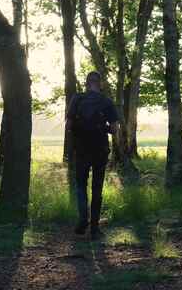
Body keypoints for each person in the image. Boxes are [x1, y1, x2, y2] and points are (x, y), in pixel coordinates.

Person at [66, 71, 118, 240]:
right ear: (100, 83)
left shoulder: (77, 99)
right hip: (100, 150)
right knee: (97, 188)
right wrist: (104, 129)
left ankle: (83, 219)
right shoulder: (106, 101)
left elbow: (69, 125)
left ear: (86, 83)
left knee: (81, 185)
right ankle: (94, 228)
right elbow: (115, 129)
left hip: (81, 150)